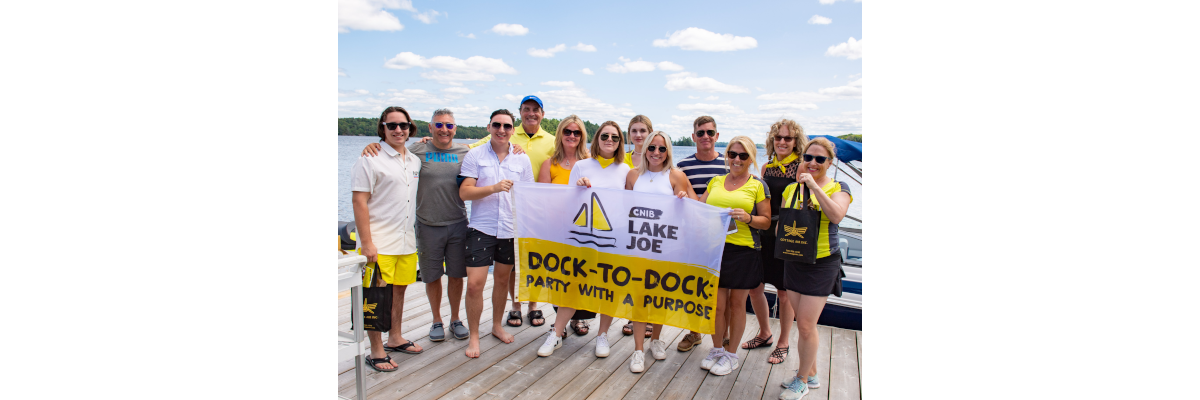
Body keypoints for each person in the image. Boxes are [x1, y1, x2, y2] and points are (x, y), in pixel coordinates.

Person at [360, 109, 473, 343]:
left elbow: (492, 147)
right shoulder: (417, 150)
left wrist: (516, 147)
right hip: (426, 224)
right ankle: (436, 320)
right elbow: (392, 152)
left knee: (455, 275)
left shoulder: (465, 151)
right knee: (431, 276)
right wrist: (373, 145)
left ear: (455, 128)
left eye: (449, 125)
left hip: (458, 222)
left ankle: (455, 319)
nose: (444, 129)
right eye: (439, 125)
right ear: (430, 128)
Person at [538, 121, 630, 358]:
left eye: (616, 137)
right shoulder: (581, 166)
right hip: (582, 237)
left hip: (612, 237)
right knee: (573, 285)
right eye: (605, 135)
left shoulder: (625, 169)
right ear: (597, 138)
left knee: (608, 288)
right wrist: (577, 188)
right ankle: (556, 334)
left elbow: (630, 204)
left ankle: (602, 336)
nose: (610, 140)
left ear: (620, 142)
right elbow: (569, 202)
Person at [469, 95, 554, 328]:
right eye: (526, 109)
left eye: (536, 110)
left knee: (532, 263)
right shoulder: (505, 131)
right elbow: (470, 149)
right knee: (513, 265)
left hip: (537, 209)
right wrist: (427, 143)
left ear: (542, 114)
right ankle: (515, 306)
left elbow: (571, 156)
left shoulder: (551, 140)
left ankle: (534, 306)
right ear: (520, 112)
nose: (531, 113)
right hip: (507, 210)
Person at [777, 137, 853, 399]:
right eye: (808, 158)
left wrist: (813, 187)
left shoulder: (838, 187)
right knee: (803, 324)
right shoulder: (791, 190)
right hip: (795, 260)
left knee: (807, 326)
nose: (812, 163)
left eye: (820, 159)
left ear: (829, 163)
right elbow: (782, 227)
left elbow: (836, 215)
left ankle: (801, 380)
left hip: (822, 262)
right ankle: (812, 374)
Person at [350, 106, 424, 372]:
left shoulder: (414, 160)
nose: (398, 130)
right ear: (382, 128)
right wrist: (366, 243)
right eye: (391, 125)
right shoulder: (369, 159)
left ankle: (395, 337)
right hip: (378, 242)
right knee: (376, 295)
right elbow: (359, 201)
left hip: (405, 239)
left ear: (410, 128)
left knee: (399, 290)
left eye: (403, 125)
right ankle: (376, 349)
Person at [458, 109, 535, 358]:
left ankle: (496, 326)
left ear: (513, 130)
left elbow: (529, 195)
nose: (502, 130)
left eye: (507, 126)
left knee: (502, 281)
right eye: (497, 125)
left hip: (510, 230)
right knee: (475, 285)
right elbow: (465, 192)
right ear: (489, 127)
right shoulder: (475, 155)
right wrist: (492, 188)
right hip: (482, 228)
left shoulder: (522, 159)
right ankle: (473, 336)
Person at [622, 131, 696, 373]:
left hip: (667, 248)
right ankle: (638, 350)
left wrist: (684, 200)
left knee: (661, 296)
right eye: (652, 148)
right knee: (640, 298)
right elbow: (624, 208)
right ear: (645, 149)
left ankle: (656, 340)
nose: (655, 153)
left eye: (661, 149)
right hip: (639, 247)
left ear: (668, 152)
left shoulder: (676, 176)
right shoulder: (633, 175)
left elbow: (690, 211)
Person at [698, 135, 771, 376]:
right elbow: (699, 209)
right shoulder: (715, 181)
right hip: (716, 249)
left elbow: (766, 222)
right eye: (732, 154)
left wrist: (748, 218)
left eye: (743, 155)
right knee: (717, 306)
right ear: (726, 155)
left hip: (743, 251)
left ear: (751, 159)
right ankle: (717, 348)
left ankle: (732, 355)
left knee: (737, 304)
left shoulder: (758, 185)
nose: (737, 159)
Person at [743, 119, 809, 365]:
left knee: (784, 293)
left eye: (788, 138)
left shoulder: (801, 167)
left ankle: (784, 342)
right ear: (772, 141)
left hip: (787, 234)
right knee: (755, 287)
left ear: (796, 142)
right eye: (778, 138)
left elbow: (805, 204)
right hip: (763, 233)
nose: (782, 142)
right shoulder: (766, 168)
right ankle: (764, 333)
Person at [673, 115, 730, 353]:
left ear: (717, 136)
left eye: (709, 132)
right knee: (693, 286)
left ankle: (724, 335)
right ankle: (694, 332)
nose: (705, 137)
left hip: (726, 236)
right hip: (694, 235)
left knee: (723, 288)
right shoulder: (683, 166)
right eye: (700, 133)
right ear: (693, 136)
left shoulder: (730, 163)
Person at [536, 114, 594, 337]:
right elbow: (541, 199)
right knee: (558, 278)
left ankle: (578, 318)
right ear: (560, 134)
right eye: (567, 131)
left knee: (582, 276)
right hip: (557, 230)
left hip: (584, 231)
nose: (572, 136)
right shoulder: (549, 164)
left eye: (577, 132)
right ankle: (559, 321)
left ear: (582, 136)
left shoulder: (591, 162)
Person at [620, 115, 654, 338]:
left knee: (651, 274)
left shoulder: (659, 157)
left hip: (654, 227)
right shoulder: (621, 160)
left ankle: (649, 317)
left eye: (643, 130)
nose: (638, 135)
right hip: (628, 225)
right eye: (634, 130)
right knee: (631, 273)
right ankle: (633, 315)